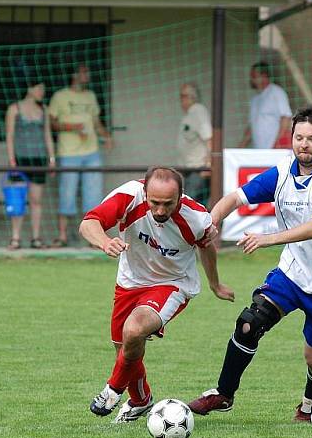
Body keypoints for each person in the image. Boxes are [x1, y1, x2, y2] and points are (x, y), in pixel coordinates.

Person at [188, 105, 312, 424]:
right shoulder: (283, 171)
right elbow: (236, 197)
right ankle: (223, 393)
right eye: (299, 137)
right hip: (293, 273)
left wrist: (267, 238)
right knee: (249, 322)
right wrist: (211, 223)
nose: (304, 144)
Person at [80, 166, 234, 423]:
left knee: (134, 330)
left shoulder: (196, 218)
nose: (161, 210)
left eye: (168, 204)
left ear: (181, 197)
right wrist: (105, 242)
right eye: (155, 202)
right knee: (125, 348)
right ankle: (141, 401)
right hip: (129, 282)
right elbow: (89, 224)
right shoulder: (128, 196)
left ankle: (113, 389)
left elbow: (207, 248)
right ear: (144, 192)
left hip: (173, 284)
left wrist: (214, 284)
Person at [49, 63, 113, 247]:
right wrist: (72, 127)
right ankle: (62, 237)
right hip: (68, 153)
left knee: (93, 197)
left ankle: (94, 240)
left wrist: (106, 136)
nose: (88, 75)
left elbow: (95, 121)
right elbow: (52, 123)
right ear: (75, 74)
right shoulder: (60, 96)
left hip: (92, 152)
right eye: (85, 72)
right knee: (66, 194)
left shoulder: (90, 96)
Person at [5, 70, 56, 250]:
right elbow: (9, 136)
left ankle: (35, 238)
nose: (42, 92)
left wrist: (51, 158)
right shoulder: (14, 109)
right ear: (30, 88)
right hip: (19, 160)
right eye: (39, 88)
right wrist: (11, 159)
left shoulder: (44, 109)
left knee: (36, 199)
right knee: (18, 199)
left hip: (39, 159)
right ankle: (15, 238)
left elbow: (47, 136)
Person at [239, 61, 292, 149]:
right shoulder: (255, 99)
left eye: (254, 76)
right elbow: (252, 126)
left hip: (275, 150)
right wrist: (241, 147)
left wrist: (278, 144)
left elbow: (286, 118)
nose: (251, 79)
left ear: (264, 76)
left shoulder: (276, 92)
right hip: (260, 151)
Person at [177, 82, 213, 205]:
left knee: (191, 207)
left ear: (191, 97)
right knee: (191, 206)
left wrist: (208, 164)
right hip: (190, 171)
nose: (181, 99)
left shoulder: (198, 111)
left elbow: (209, 138)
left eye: (183, 96)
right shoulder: (190, 115)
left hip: (199, 171)